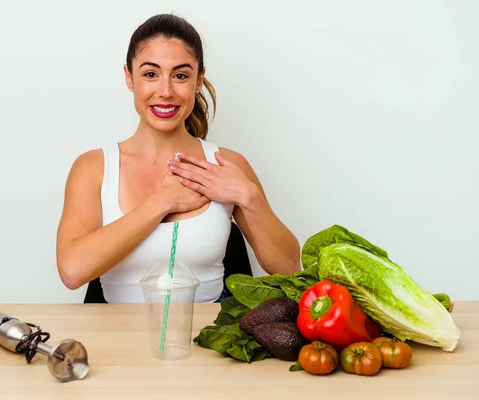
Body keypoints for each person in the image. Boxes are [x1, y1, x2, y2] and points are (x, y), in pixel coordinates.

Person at [56, 13, 301, 303]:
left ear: (199, 81)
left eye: (181, 75)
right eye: (150, 74)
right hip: (114, 341)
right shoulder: (94, 167)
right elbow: (72, 271)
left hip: (205, 342)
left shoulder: (226, 164)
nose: (166, 91)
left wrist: (250, 198)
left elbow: (289, 269)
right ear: (129, 78)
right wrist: (162, 202)